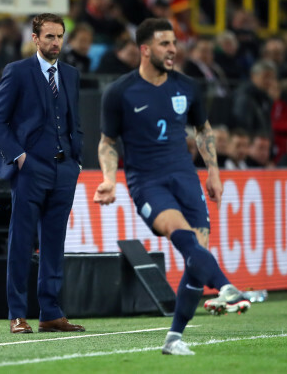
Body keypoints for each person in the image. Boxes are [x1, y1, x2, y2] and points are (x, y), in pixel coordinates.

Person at [94, 18, 250, 356]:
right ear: (145, 49)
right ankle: (225, 286)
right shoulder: (120, 91)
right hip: (147, 181)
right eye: (165, 44)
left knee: (198, 257)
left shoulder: (187, 86)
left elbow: (203, 129)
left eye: (174, 43)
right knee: (184, 237)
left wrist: (214, 172)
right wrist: (108, 178)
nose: (173, 50)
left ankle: (174, 338)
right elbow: (107, 142)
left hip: (185, 177)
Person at [0, 13, 85, 335]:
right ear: (35, 38)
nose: (56, 43)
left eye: (59, 36)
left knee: (54, 244)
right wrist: (19, 157)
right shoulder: (17, 72)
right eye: (49, 37)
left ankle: (51, 313)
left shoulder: (70, 74)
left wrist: (76, 158)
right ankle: (17, 313)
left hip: (64, 169)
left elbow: (74, 120)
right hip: (30, 170)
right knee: (21, 243)